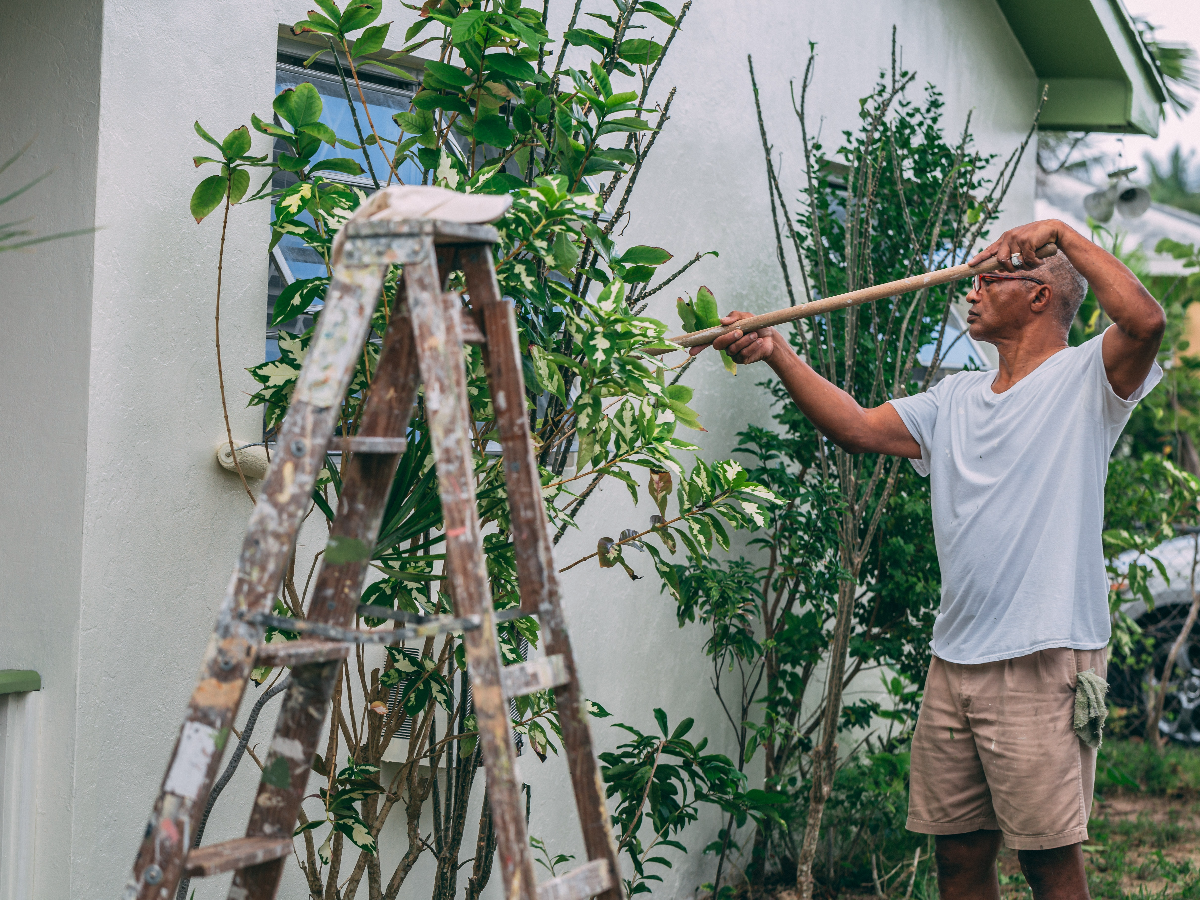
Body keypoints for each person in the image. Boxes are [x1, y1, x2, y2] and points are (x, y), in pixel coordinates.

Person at [695, 219, 1164, 900]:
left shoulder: (1086, 380)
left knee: (1049, 864)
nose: (970, 292)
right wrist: (775, 351)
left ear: (1038, 296)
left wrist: (1060, 236)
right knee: (960, 859)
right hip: (957, 663)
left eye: (989, 278)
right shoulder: (954, 398)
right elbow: (856, 427)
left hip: (1043, 660)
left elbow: (1145, 322)